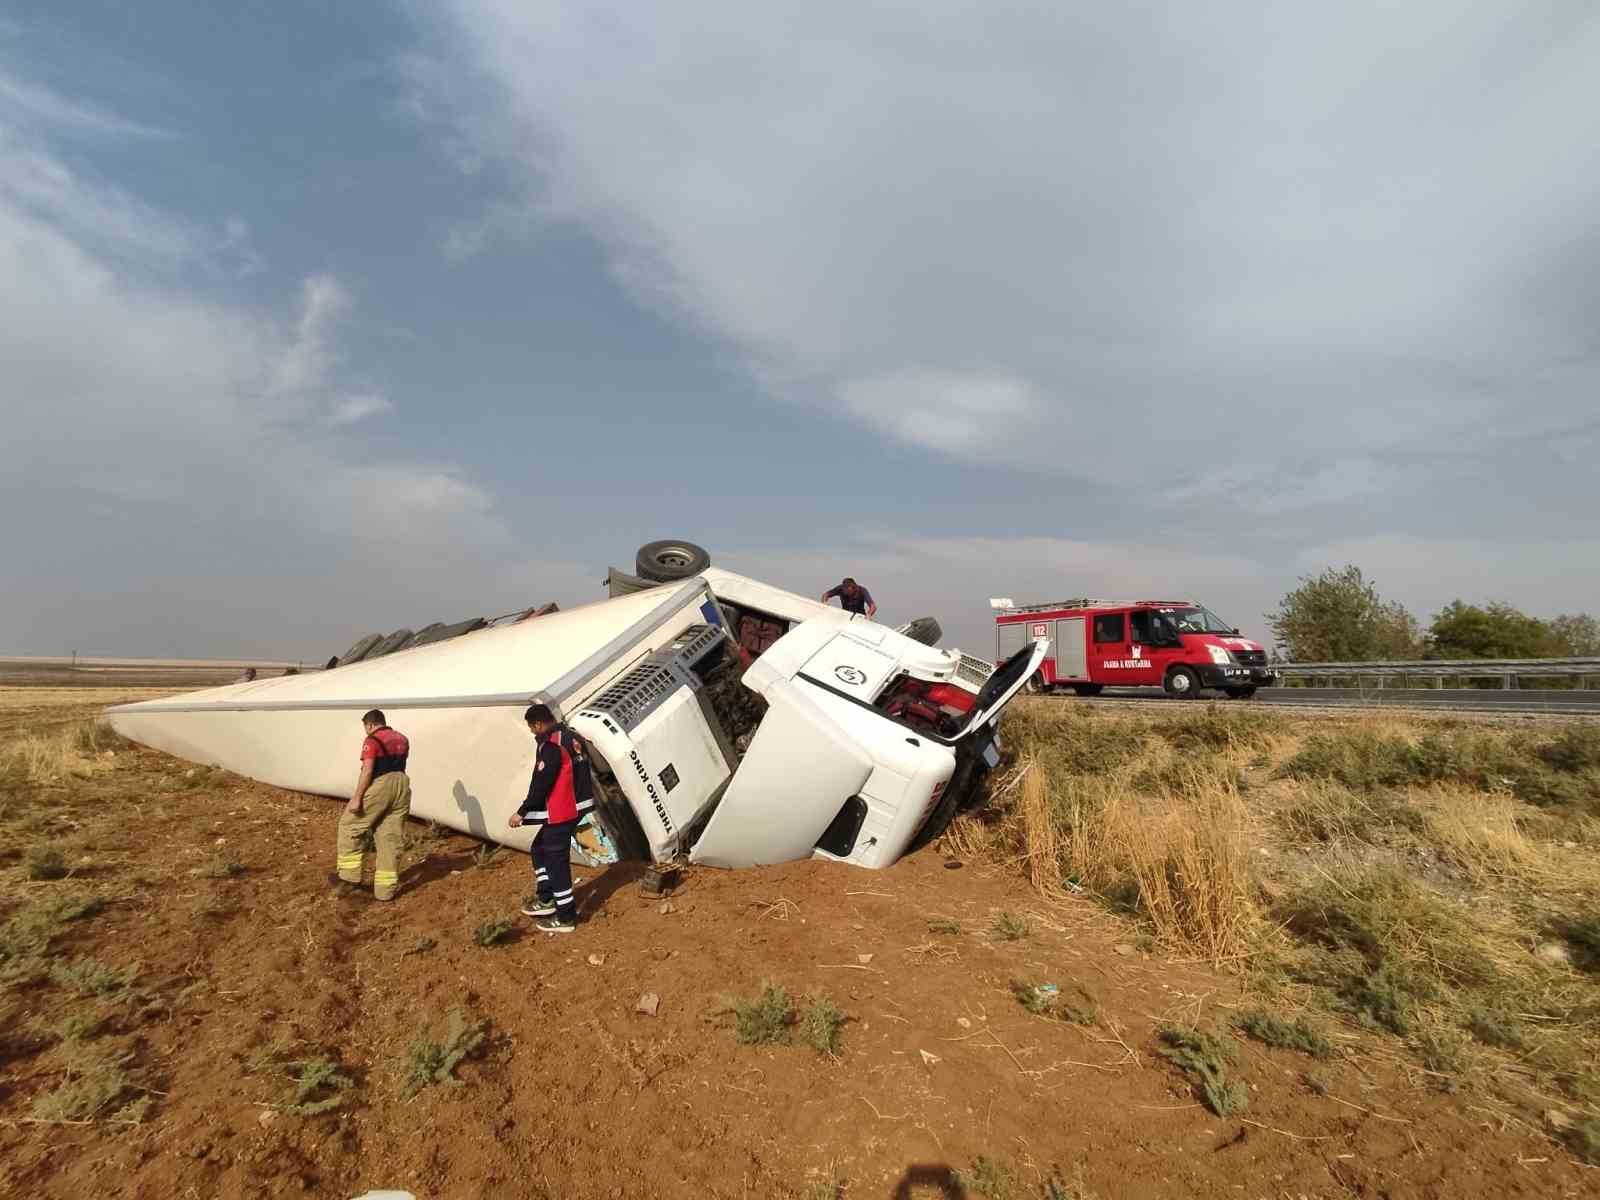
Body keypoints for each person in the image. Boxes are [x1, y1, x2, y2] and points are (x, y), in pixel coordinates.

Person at [510, 703, 595, 935]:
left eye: (531, 727)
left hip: (562, 810)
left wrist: (523, 811)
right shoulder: (571, 736)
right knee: (539, 848)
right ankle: (546, 898)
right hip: (576, 806)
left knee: (555, 859)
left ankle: (565, 915)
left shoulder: (551, 745)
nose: (531, 732)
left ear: (538, 724)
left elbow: (542, 781)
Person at [332, 709, 411, 901]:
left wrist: (357, 797)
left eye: (365, 728)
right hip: (402, 784)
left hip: (381, 784)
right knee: (390, 839)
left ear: (370, 725)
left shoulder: (372, 741)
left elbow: (367, 771)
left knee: (350, 825)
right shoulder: (402, 738)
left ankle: (349, 877)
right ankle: (385, 892)